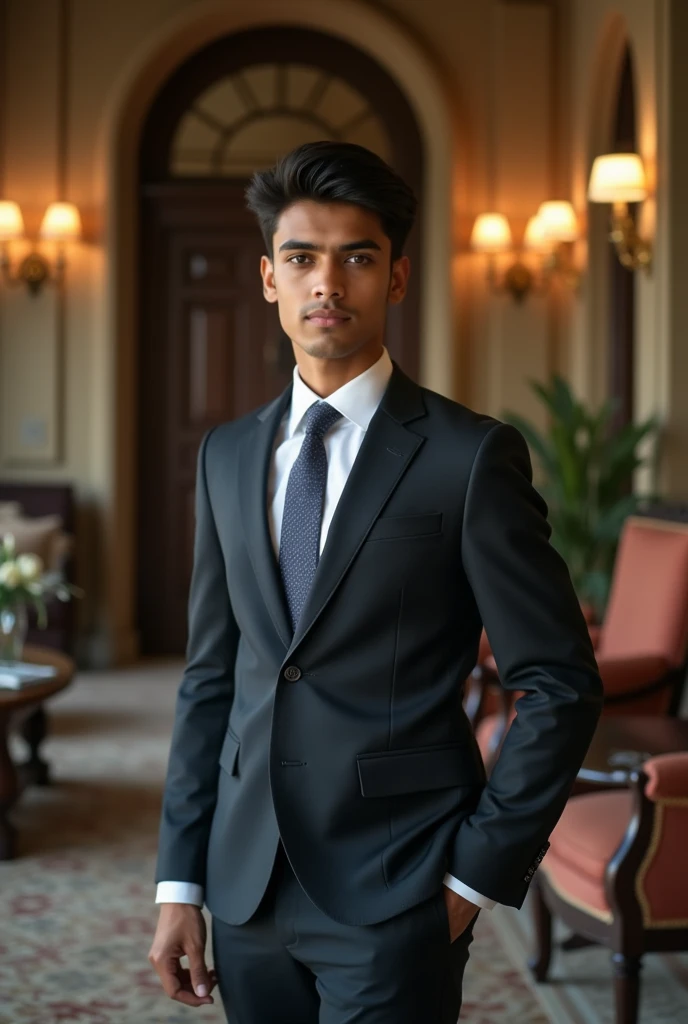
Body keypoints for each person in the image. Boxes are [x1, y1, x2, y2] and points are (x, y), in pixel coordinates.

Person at [148, 140, 603, 1023]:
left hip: (400, 882)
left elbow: (558, 682)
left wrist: (477, 878)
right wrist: (180, 879)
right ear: (270, 279)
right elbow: (213, 677)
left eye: (357, 257)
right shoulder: (227, 455)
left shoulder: (469, 458)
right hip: (244, 885)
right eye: (302, 258)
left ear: (395, 278)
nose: (329, 283)